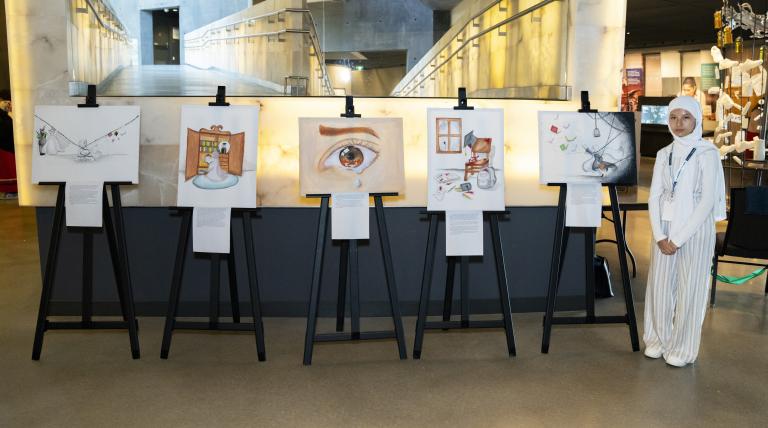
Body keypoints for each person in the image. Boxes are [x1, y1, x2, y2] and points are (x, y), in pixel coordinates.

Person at [644, 96, 727, 367]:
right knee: (659, 287)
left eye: (685, 117)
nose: (679, 123)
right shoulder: (663, 153)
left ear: (696, 119)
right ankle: (657, 339)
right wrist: (660, 235)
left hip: (695, 230)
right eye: (673, 117)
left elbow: (707, 201)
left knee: (691, 289)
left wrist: (678, 239)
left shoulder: (707, 153)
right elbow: (654, 195)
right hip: (664, 229)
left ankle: (682, 348)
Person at [0, 89, 17, 199]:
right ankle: (9, 190)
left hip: (9, 146)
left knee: (9, 169)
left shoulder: (8, 113)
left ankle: (12, 190)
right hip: (5, 146)